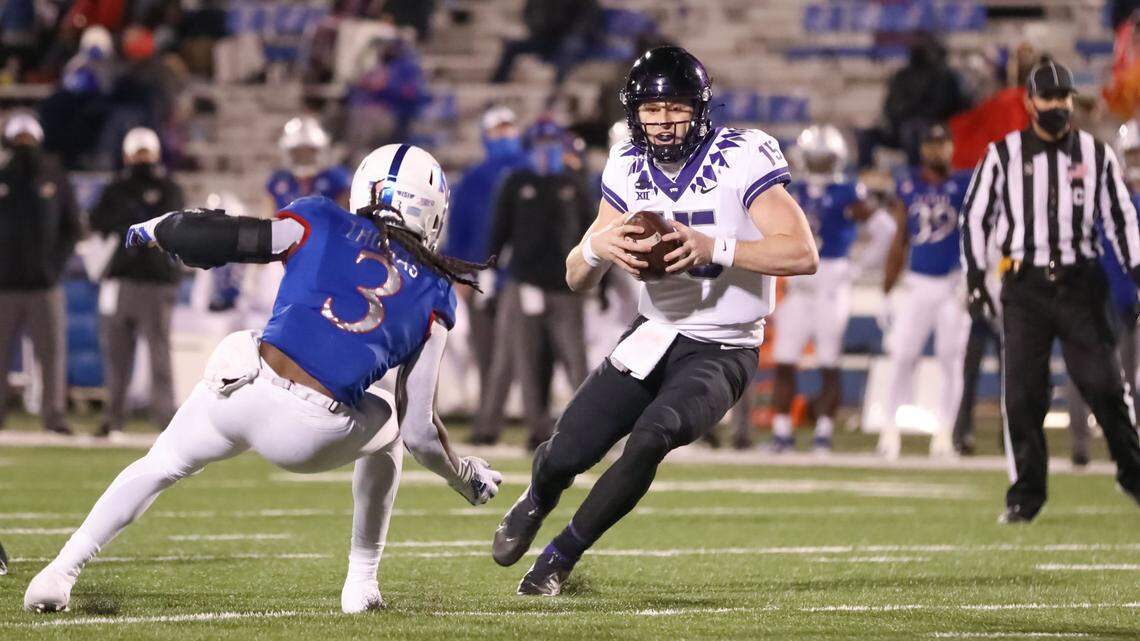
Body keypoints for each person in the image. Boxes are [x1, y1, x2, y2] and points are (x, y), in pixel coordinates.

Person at [24, 144, 504, 613]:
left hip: (242, 388)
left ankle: (59, 572)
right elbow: (422, 433)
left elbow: (219, 236)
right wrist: (463, 477)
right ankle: (361, 583)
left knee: (161, 462)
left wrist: (156, 228)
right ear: (434, 211)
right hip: (310, 433)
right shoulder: (436, 293)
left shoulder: (319, 218)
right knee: (391, 423)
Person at [490, 46, 817, 595]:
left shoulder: (743, 155)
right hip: (652, 334)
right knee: (566, 452)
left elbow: (801, 253)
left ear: (700, 108)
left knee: (650, 438)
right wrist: (598, 248)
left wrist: (714, 246)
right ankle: (539, 496)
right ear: (635, 113)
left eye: (676, 108)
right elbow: (576, 274)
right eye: (652, 110)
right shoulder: (626, 164)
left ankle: (560, 558)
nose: (663, 122)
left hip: (723, 346)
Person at [961, 58, 1140, 523]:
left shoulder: (1096, 153)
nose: (1057, 106)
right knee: (1022, 395)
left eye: (1064, 97)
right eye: (1049, 97)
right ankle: (1026, 495)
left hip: (1081, 282)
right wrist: (976, 279)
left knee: (1105, 386)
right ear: (1030, 101)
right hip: (1025, 286)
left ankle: (1133, 473)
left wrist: (1136, 268)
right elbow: (975, 218)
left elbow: (1120, 217)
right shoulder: (1002, 154)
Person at [769, 124, 894, 453]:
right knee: (784, 360)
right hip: (798, 288)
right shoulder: (790, 190)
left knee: (829, 361)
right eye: (816, 159)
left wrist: (856, 266)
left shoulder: (848, 192)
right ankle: (782, 432)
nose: (820, 165)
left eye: (825, 159)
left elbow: (884, 229)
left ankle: (823, 432)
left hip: (830, 285)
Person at [478, 117, 593, 450]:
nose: (546, 153)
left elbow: (593, 233)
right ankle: (538, 429)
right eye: (540, 146)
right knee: (526, 360)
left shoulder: (573, 184)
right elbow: (499, 229)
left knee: (575, 360)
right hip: (524, 282)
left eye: (551, 145)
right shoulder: (516, 182)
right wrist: (489, 269)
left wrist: (598, 279)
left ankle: (590, 425)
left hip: (566, 286)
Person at [877, 123, 972, 460]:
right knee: (903, 356)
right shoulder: (908, 184)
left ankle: (945, 432)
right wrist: (886, 290)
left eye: (942, 143)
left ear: (951, 147)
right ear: (922, 150)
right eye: (931, 144)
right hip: (917, 282)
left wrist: (972, 278)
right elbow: (899, 238)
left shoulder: (965, 184)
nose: (936, 150)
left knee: (951, 358)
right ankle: (890, 429)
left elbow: (977, 234)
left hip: (951, 283)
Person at [88, 127, 185, 438]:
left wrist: (131, 219)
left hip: (156, 281)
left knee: (158, 353)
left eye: (146, 152)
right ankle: (113, 417)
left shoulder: (167, 187)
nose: (142, 158)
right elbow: (97, 221)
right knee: (117, 353)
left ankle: (165, 419)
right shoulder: (116, 188)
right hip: (123, 279)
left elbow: (172, 224)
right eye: (138, 152)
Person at [444, 105, 528, 445]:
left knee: (520, 353)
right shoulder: (473, 180)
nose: (505, 136)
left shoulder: (530, 173)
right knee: (486, 351)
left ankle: (496, 422)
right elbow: (460, 232)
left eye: (509, 128)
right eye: (498, 129)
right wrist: (460, 273)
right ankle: (489, 419)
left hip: (524, 275)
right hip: (481, 276)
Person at [1064, 119, 1140, 466]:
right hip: (1101, 294)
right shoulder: (1113, 202)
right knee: (1106, 375)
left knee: (1121, 376)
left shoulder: (1093, 198)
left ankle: (1115, 445)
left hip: (1115, 295)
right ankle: (1093, 444)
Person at [0, 113, 80, 436]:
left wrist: (54, 267)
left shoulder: (54, 177)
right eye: (18, 139)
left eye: (27, 139)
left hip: (45, 284)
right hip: (4, 285)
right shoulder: (2, 176)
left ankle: (54, 415)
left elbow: (72, 227)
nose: (23, 145)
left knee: (52, 354)